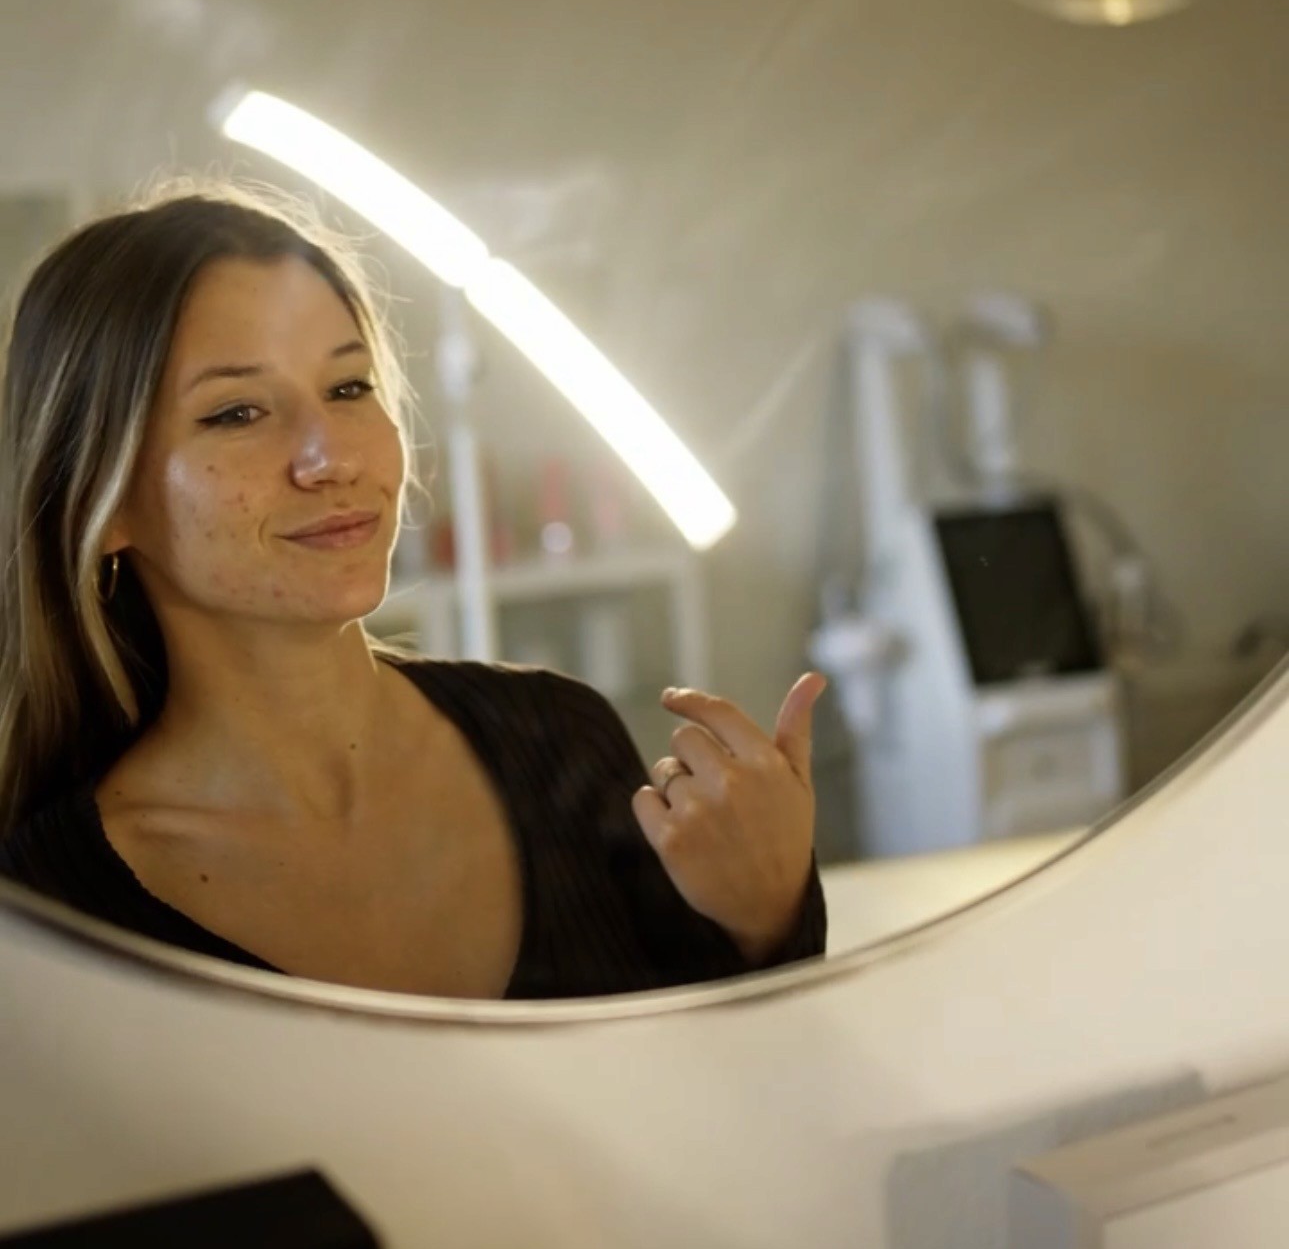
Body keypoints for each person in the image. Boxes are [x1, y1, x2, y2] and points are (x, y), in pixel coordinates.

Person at [0, 183, 826, 1000]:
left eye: (348, 388)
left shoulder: (559, 743)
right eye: (238, 412)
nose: (333, 457)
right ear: (100, 505)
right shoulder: (53, 913)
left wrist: (763, 919)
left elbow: (727, 1105)